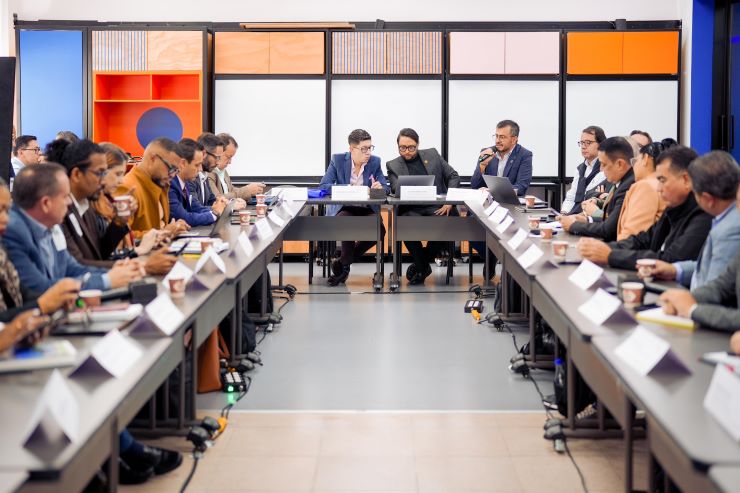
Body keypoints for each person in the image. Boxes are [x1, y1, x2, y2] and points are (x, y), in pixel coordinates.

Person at [2, 163, 142, 295]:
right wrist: (107, 280)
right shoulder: (13, 231)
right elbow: (39, 288)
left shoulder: (52, 224)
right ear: (45, 203)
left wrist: (117, 271)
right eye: (65, 197)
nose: (69, 202)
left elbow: (71, 268)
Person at [578, 145, 712, 268]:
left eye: (663, 180)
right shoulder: (673, 207)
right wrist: (604, 248)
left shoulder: (703, 215)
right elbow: (643, 239)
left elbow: (670, 259)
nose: (659, 188)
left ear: (686, 180)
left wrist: (611, 255)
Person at [643, 151, 740, 289]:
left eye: (695, 192)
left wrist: (687, 302)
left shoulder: (729, 230)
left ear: (708, 199)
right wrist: (676, 270)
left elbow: (716, 289)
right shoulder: (724, 219)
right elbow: (708, 268)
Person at [387, 128, 460, 285]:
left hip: (437, 207)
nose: (407, 151)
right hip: (411, 208)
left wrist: (449, 201)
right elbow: (394, 188)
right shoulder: (393, 165)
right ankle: (423, 266)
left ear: (418, 144)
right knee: (404, 223)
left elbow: (453, 176)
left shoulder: (432, 155)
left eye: (411, 147)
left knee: (448, 221)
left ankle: (421, 266)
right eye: (402, 148)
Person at [319, 129, 388, 286]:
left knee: (380, 231)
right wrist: (349, 188)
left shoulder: (375, 162)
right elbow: (324, 186)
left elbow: (386, 187)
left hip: (367, 208)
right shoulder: (338, 160)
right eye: (364, 149)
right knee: (346, 222)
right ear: (352, 149)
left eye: (370, 148)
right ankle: (344, 269)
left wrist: (379, 188)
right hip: (346, 207)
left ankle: (343, 262)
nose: (368, 152)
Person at [51, 139, 131, 268]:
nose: (103, 181)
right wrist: (135, 266)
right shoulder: (59, 211)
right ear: (76, 174)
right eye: (100, 173)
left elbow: (99, 253)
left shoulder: (86, 205)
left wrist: (118, 222)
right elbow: (77, 265)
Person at [560, 136, 636, 241]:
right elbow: (611, 221)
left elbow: (609, 230)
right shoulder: (621, 181)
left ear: (620, 164)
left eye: (603, 164)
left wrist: (573, 225)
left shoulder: (628, 186)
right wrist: (588, 220)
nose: (601, 169)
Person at [120, 137, 189, 239]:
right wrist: (163, 233)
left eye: (176, 170)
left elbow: (159, 226)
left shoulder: (160, 184)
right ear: (153, 159)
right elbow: (121, 238)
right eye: (171, 168)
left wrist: (173, 228)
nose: (173, 175)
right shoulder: (127, 188)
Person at [613, 141, 666, 240]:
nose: (633, 167)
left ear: (645, 158)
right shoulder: (659, 184)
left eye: (635, 161)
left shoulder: (646, 186)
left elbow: (632, 233)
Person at [169, 138, 228, 226]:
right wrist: (215, 214)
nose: (200, 169)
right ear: (182, 164)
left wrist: (220, 208)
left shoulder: (185, 182)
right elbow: (184, 217)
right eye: (197, 165)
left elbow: (196, 209)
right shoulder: (170, 185)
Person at [470, 119, 532, 196]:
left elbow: (521, 188)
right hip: (488, 202)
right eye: (496, 136)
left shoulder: (524, 155)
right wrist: (482, 165)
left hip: (510, 201)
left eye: (502, 137)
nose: (497, 141)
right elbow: (474, 186)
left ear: (514, 140)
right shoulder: (487, 153)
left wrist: (492, 191)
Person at [560, 126, 607, 215]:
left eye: (588, 143)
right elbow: (571, 197)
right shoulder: (580, 169)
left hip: (589, 217)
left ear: (601, 145)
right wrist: (564, 213)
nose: (583, 147)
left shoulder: (605, 169)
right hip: (573, 215)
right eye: (582, 143)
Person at [209, 133, 265, 201]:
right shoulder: (208, 173)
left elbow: (231, 191)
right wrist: (247, 190)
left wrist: (252, 190)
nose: (230, 162)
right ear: (218, 152)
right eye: (228, 157)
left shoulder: (223, 171)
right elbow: (217, 199)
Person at [194, 133, 221, 207]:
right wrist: (216, 209)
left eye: (220, 158)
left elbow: (211, 200)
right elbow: (196, 208)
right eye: (217, 157)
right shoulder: (191, 177)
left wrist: (225, 203)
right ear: (204, 153)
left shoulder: (205, 174)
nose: (218, 163)